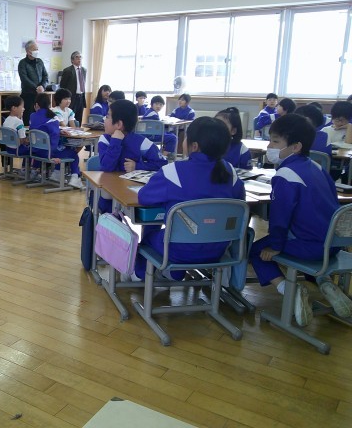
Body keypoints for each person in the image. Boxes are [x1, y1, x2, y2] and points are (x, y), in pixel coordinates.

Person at [248, 114, 352, 326]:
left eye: (275, 141)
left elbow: (279, 218)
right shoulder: (317, 166)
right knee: (299, 241)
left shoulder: (285, 175)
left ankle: (290, 290)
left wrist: (275, 246)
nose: (269, 146)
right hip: (333, 244)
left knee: (256, 251)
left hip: (309, 246)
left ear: (295, 147)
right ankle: (325, 283)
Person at [132, 117, 245, 281]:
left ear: (194, 146)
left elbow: (144, 197)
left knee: (150, 236)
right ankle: (174, 274)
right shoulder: (231, 173)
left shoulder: (173, 172)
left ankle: (143, 274)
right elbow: (239, 205)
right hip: (218, 249)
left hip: (178, 250)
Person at [97, 99, 167, 213]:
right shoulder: (105, 139)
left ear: (119, 124)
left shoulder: (140, 141)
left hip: (132, 193)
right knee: (106, 210)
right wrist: (115, 141)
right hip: (108, 193)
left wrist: (138, 166)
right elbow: (106, 167)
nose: (104, 119)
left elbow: (162, 163)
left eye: (108, 116)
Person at [29, 93, 83, 189]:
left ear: (37, 105)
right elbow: (54, 138)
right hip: (48, 153)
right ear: (49, 104)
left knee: (63, 150)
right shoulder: (53, 118)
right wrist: (52, 156)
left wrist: (59, 130)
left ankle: (56, 174)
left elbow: (42, 130)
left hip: (35, 151)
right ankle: (75, 178)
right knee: (73, 153)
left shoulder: (32, 116)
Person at [18, 40, 48, 126]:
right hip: (28, 95)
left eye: (37, 49)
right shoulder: (22, 63)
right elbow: (24, 79)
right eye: (35, 49)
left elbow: (45, 76)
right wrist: (36, 88)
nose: (37, 51)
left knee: (40, 119)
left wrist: (42, 86)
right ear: (28, 51)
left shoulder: (40, 62)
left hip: (40, 96)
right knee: (28, 118)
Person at [59, 51, 87, 125]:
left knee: (79, 118)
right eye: (77, 57)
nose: (79, 59)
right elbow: (62, 85)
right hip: (71, 98)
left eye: (80, 57)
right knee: (70, 118)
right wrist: (66, 98)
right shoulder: (67, 70)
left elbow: (83, 83)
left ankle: (78, 131)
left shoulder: (84, 70)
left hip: (81, 97)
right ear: (72, 60)